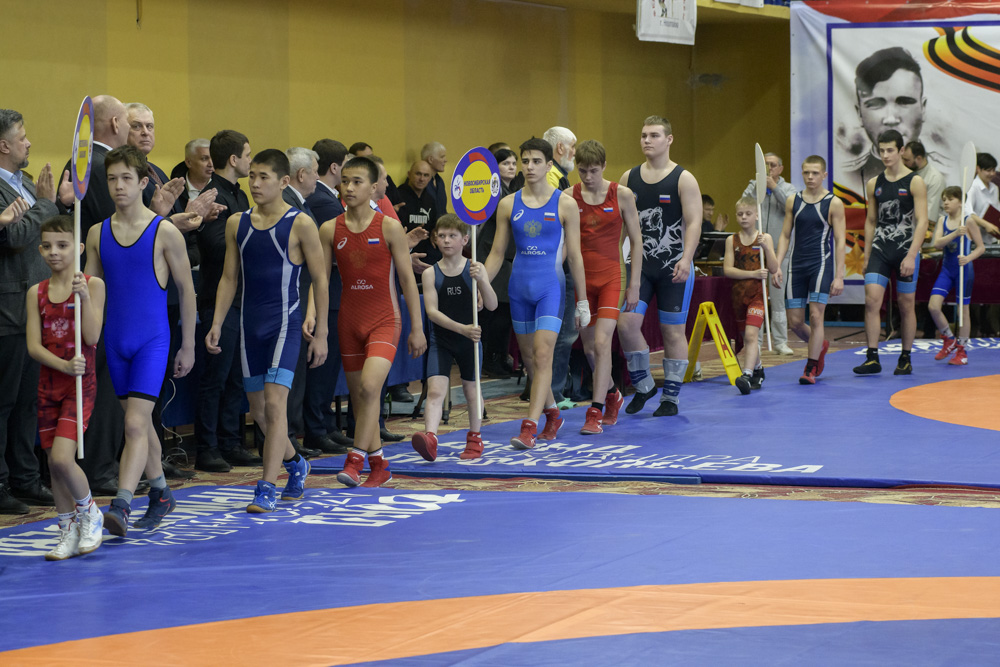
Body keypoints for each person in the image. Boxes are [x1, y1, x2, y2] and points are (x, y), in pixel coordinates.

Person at [84, 145, 197, 535]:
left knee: (134, 424)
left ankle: (121, 505)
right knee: (140, 424)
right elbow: (92, 291)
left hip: (152, 341)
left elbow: (186, 291)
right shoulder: (97, 233)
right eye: (112, 179)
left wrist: (188, 345)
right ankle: (161, 493)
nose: (118, 186)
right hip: (115, 342)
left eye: (126, 179)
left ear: (144, 182)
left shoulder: (164, 232)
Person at [206, 149, 328, 512]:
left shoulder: (300, 223)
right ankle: (296, 464)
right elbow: (229, 278)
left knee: (275, 407)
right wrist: (217, 323)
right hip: (250, 327)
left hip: (284, 325)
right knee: (259, 413)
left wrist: (321, 331)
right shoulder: (236, 223)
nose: (255, 183)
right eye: (252, 176)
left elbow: (320, 279)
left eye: (264, 177)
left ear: (284, 182)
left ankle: (266, 487)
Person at [315, 156, 425, 487]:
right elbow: (320, 281)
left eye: (357, 182)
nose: (348, 188)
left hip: (384, 319)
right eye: (345, 181)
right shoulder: (329, 229)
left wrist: (417, 327)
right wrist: (318, 323)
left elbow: (407, 280)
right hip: (348, 321)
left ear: (374, 187)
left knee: (369, 388)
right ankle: (379, 465)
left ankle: (354, 461)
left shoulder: (389, 227)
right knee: (363, 398)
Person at [484, 137, 589, 449]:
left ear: (548, 165)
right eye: (525, 161)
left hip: (550, 288)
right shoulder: (508, 204)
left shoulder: (565, 204)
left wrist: (582, 301)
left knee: (543, 355)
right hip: (519, 288)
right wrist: (481, 284)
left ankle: (529, 427)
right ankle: (553, 414)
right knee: (530, 360)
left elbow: (575, 256)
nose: (529, 167)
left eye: (536, 162)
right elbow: (497, 253)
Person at [25, 216, 105, 559]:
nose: (53, 252)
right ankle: (67, 530)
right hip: (50, 384)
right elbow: (33, 346)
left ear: (79, 248)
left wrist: (84, 296)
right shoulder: (36, 293)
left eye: (62, 245)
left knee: (62, 457)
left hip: (79, 386)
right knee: (53, 463)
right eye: (47, 246)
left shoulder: (93, 285)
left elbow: (92, 336)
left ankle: (90, 512)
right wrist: (62, 366)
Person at [617, 115, 703, 417]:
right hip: (639, 266)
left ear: (669, 139)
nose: (647, 140)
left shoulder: (683, 178)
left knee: (672, 331)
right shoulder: (628, 178)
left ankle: (671, 397)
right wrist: (616, 258)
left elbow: (694, 222)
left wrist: (686, 258)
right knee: (626, 324)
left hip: (673, 266)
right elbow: (621, 225)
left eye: (654, 135)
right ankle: (643, 385)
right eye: (643, 135)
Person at [0, 108, 59, 513]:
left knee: (28, 403)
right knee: (4, 404)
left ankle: (25, 477)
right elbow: (16, 237)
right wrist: (47, 204)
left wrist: (58, 205)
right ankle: (2, 482)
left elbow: (42, 228)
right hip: (7, 311)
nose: (29, 143)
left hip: (35, 309)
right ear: (4, 145)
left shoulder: (23, 181)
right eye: (22, 137)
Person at [193, 130, 260, 472]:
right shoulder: (212, 195)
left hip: (241, 297)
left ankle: (231, 441)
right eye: (247, 155)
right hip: (217, 297)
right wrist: (253, 236)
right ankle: (207, 447)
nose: (251, 162)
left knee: (236, 376)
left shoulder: (240, 194)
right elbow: (216, 246)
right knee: (215, 377)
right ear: (234, 160)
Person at [411, 215, 498, 460]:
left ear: (465, 240)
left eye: (452, 236)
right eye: (442, 236)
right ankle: (430, 437)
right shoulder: (431, 273)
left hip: (470, 342)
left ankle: (475, 438)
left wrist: (483, 281)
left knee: (472, 391)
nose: (447, 240)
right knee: (435, 391)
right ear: (435, 240)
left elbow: (492, 305)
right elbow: (432, 312)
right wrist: (462, 329)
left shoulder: (475, 269)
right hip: (443, 340)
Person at [571, 140, 642, 434]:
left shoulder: (621, 194)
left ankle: (595, 412)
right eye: (583, 171)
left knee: (602, 345)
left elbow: (636, 241)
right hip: (582, 281)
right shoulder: (569, 197)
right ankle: (613, 393)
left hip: (612, 277)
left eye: (594, 171)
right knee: (590, 350)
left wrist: (635, 282)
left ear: (604, 166)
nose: (588, 177)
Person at [853, 129, 928, 376]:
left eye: (890, 150)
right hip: (880, 250)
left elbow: (922, 222)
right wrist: (866, 255)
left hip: (906, 250)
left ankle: (905, 357)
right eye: (882, 150)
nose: (885, 155)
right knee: (871, 301)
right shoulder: (874, 183)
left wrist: (911, 255)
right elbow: (871, 220)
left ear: (901, 151)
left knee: (906, 305)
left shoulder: (915, 182)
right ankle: (872, 357)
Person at [774, 155, 846, 384]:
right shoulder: (793, 201)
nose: (810, 177)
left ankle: (811, 367)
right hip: (796, 266)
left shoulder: (833, 203)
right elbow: (785, 235)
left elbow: (840, 241)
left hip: (820, 265)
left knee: (816, 316)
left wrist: (839, 276)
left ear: (824, 175)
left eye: (815, 173)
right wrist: (777, 264)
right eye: (806, 172)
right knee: (795, 322)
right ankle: (820, 345)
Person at [838, 47, 929, 198]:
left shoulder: (944, 176)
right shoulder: (849, 179)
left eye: (904, 102)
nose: (891, 119)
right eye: (876, 104)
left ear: (923, 108)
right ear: (859, 113)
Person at [742, 152, 796, 355]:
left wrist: (774, 188)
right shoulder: (752, 185)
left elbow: (793, 207)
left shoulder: (788, 188)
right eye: (765, 164)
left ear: (780, 168)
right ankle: (756, 340)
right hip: (755, 250)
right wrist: (758, 187)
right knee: (756, 297)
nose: (769, 169)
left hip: (779, 252)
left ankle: (780, 341)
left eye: (772, 165)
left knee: (778, 297)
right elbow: (743, 207)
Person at [724, 197, 778, 394]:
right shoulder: (732, 240)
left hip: (758, 295)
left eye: (748, 214)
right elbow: (728, 270)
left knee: (751, 335)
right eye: (740, 214)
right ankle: (758, 369)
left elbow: (773, 268)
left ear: (756, 215)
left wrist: (767, 249)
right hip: (738, 296)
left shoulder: (765, 238)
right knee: (745, 337)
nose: (744, 217)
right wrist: (753, 273)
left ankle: (746, 375)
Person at [929, 186, 986, 365]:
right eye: (944, 199)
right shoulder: (942, 220)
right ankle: (948, 338)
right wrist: (955, 233)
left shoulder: (968, 221)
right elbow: (937, 243)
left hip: (963, 270)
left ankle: (962, 351)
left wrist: (968, 258)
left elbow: (981, 247)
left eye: (950, 199)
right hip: (947, 270)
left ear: (961, 202)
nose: (946, 202)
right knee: (933, 306)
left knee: (963, 311)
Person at [478, 147, 519, 379]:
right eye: (505, 163)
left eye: (514, 163)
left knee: (505, 311)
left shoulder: (511, 191)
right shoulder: (493, 191)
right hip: (491, 254)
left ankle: (501, 356)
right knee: (495, 312)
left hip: (508, 258)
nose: (511, 167)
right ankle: (490, 358)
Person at [901, 141, 945, 224]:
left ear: (919, 159)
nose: (903, 163)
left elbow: (930, 217)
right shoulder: (905, 173)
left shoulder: (935, 179)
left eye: (906, 160)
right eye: (902, 158)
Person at [542, 126, 576, 190]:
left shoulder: (555, 174)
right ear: (560, 147)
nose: (574, 153)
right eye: (572, 147)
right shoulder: (550, 175)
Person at [421, 142, 449, 217]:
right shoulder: (419, 182)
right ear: (430, 159)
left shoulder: (439, 181)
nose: (445, 160)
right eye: (442, 157)